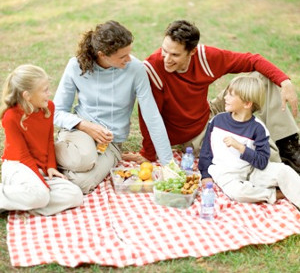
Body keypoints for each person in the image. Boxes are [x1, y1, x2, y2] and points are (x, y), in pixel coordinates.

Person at [123, 20, 300, 173]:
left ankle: (289, 146)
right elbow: (149, 116)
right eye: (164, 51)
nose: (166, 59)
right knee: (243, 148)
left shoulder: (205, 57)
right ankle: (275, 165)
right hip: (193, 134)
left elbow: (252, 60)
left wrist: (284, 81)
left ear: (192, 52)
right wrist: (148, 153)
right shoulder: (153, 68)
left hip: (209, 111)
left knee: (264, 78)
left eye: (175, 54)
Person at [53, 20, 173, 194]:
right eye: (122, 57)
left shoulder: (136, 70)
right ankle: (47, 154)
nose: (129, 59)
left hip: (111, 143)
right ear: (102, 55)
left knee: (82, 184)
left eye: (129, 53)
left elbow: (152, 116)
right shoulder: (76, 66)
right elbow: (57, 112)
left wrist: (168, 164)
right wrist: (84, 125)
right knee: (85, 159)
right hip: (80, 131)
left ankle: (56, 169)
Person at [198, 75, 300, 208]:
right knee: (238, 192)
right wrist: (205, 175)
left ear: (247, 104)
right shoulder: (217, 122)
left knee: (284, 171)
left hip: (253, 171)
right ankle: (275, 194)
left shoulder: (258, 128)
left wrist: (242, 148)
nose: (225, 98)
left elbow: (263, 162)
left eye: (231, 95)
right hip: (226, 174)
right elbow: (206, 152)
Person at [0, 64, 83, 216]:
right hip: (18, 166)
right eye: (44, 90)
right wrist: (42, 185)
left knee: (75, 195)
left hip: (40, 168)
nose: (49, 94)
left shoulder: (49, 108)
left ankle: (21, 203)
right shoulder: (11, 117)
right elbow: (23, 155)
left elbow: (49, 141)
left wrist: (51, 166)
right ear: (27, 95)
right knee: (40, 194)